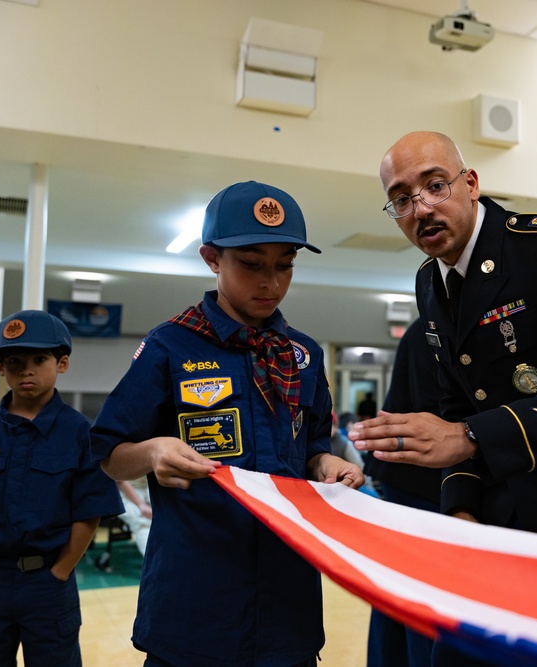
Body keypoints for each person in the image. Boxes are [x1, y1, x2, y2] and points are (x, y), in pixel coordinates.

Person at [351, 131, 537, 666]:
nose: (421, 208)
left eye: (435, 185)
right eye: (401, 199)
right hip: (503, 514)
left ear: (471, 184)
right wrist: (462, 508)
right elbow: (457, 407)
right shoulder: (430, 282)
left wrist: (469, 436)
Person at [90, 180, 364, 667]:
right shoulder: (170, 347)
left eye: (285, 266)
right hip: (195, 603)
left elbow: (315, 448)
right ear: (212, 258)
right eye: (252, 265)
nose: (271, 283)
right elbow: (109, 452)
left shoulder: (303, 355)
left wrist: (329, 467)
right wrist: (153, 453)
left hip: (286, 602)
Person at [0, 310, 123, 666]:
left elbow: (88, 511)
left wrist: (60, 572)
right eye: (13, 360)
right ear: (0, 368)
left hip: (47, 582)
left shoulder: (80, 433)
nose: (25, 370)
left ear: (61, 364)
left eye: (39, 359)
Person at [364, 318, 442, 667]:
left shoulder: (426, 327)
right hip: (425, 490)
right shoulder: (436, 328)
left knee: (400, 610)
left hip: (410, 482)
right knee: (418, 617)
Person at [116, 477, 152, 556]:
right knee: (142, 524)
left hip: (149, 489)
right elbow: (120, 480)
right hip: (126, 494)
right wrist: (141, 505)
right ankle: (155, 562)